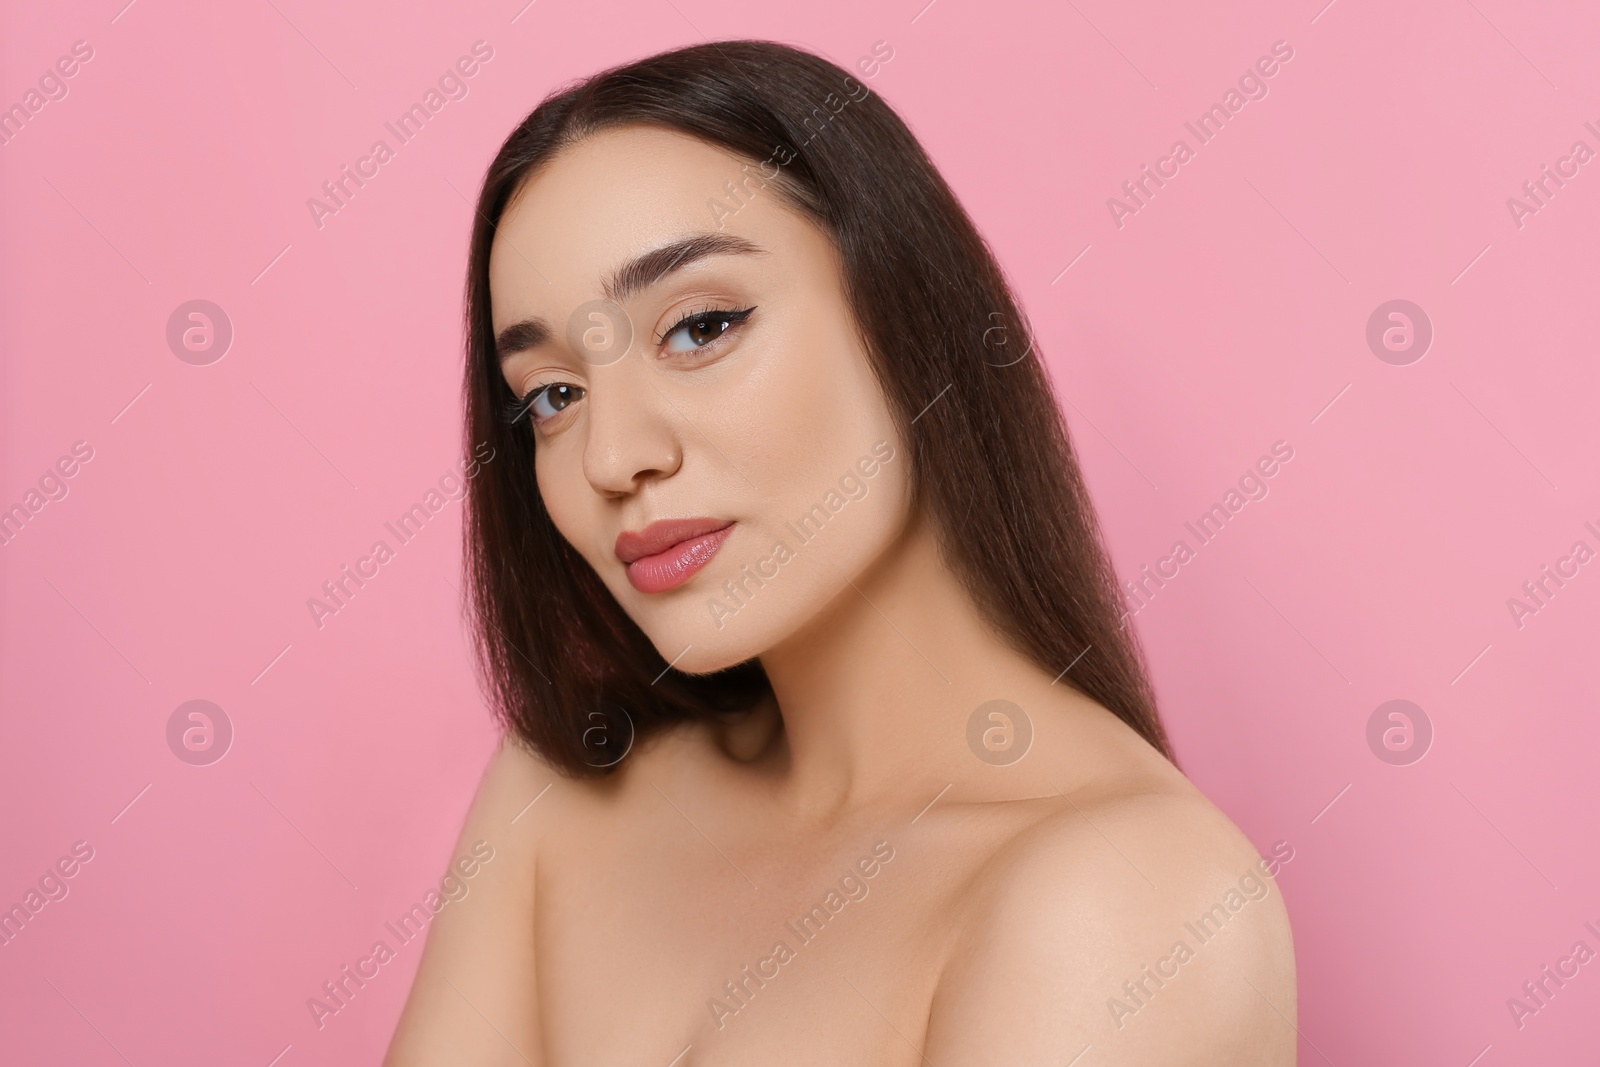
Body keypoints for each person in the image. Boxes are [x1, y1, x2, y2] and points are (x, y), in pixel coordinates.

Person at [384, 39, 1295, 1066]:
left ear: (906, 314)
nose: (614, 455)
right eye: (552, 394)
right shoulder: (564, 799)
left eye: (700, 327)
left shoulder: (1126, 902)